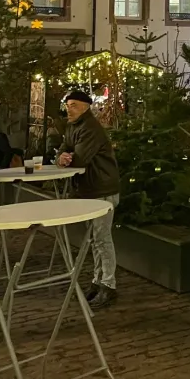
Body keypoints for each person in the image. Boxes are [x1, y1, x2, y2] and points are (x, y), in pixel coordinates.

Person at [56, 90, 120, 310]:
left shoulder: (91, 128)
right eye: (67, 104)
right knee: (94, 239)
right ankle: (97, 281)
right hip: (89, 190)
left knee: (102, 238)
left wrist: (67, 158)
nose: (69, 109)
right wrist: (61, 157)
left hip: (102, 190)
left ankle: (108, 285)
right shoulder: (73, 126)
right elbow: (64, 149)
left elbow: (81, 159)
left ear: (86, 106)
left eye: (73, 104)